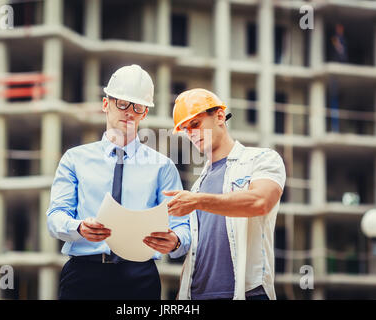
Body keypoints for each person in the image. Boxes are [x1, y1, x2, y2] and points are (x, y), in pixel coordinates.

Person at [46, 64, 190, 300]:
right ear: (106, 104)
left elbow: (182, 224)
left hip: (139, 277)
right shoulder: (75, 159)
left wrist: (175, 242)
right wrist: (79, 228)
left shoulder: (162, 167)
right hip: (84, 274)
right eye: (122, 103)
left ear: (145, 113)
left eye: (137, 106)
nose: (129, 112)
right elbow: (55, 217)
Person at [163, 88, 286, 300]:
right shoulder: (198, 185)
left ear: (220, 116)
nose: (191, 133)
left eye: (195, 124)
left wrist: (198, 201)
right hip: (196, 295)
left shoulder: (262, 159)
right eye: (185, 129)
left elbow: (261, 202)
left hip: (248, 293)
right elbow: (196, 251)